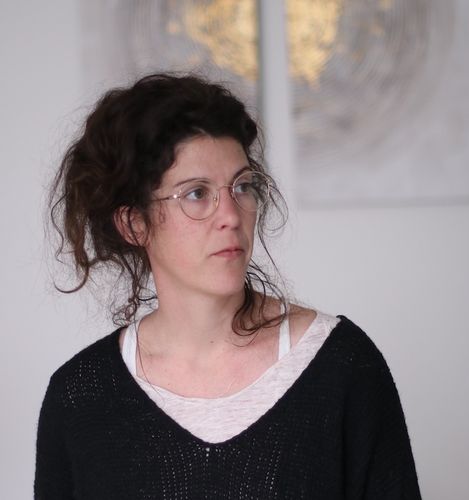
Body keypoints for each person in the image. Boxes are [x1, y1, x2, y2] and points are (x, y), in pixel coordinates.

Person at [35, 73, 422, 499]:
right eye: (196, 193)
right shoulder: (80, 397)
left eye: (242, 187)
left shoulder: (342, 367)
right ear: (134, 224)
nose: (232, 216)